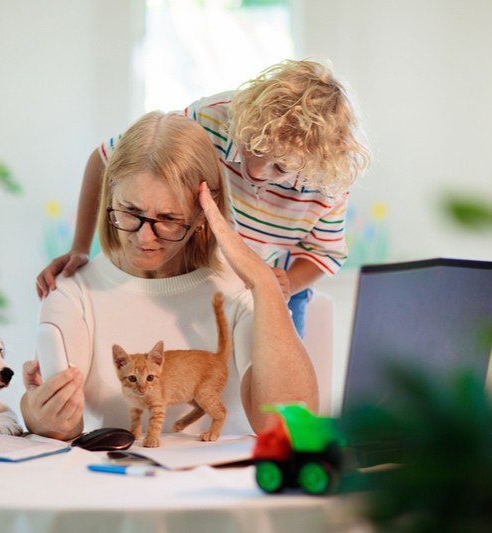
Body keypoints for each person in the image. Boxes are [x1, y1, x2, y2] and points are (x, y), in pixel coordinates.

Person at [21, 111, 318, 441]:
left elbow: (292, 430)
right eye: (130, 212)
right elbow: (64, 430)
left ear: (202, 216)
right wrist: (38, 414)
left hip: (224, 488)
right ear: (110, 197)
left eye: (169, 219)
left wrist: (263, 283)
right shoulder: (71, 291)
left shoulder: (240, 292)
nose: (144, 239)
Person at [35, 59, 370, 337]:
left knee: (280, 389)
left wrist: (283, 285)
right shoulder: (213, 117)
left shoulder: (327, 181)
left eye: (280, 167)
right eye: (251, 148)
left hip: (269, 283)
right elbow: (104, 157)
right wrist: (80, 246)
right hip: (196, 273)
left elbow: (324, 252)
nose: (256, 171)